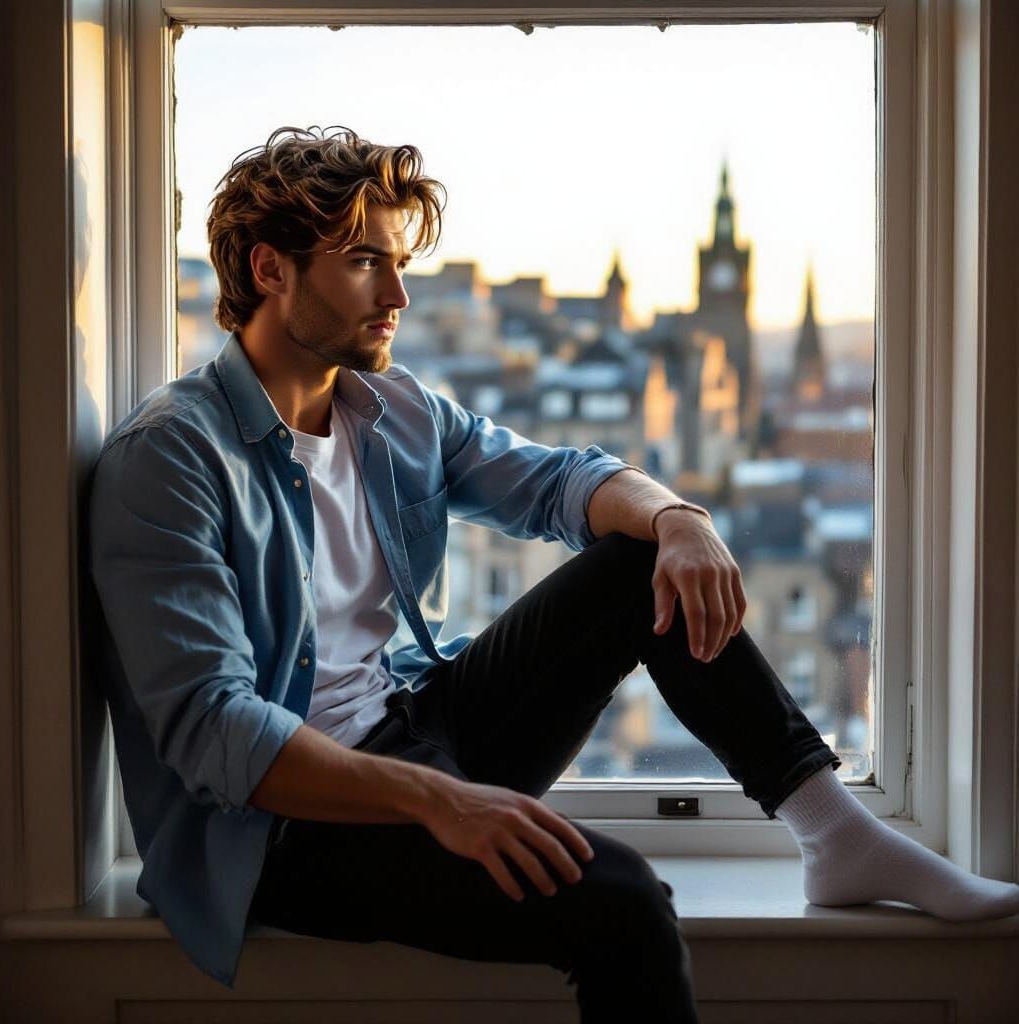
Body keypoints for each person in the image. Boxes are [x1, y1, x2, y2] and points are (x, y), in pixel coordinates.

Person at [88, 125, 1019, 1021]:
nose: (399, 296)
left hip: (415, 732)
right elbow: (217, 732)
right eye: (368, 261)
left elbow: (559, 482)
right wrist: (444, 800)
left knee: (639, 558)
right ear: (270, 269)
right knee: (625, 906)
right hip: (285, 829)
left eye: (402, 264)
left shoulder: (391, 411)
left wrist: (678, 518)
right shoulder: (169, 459)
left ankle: (834, 832)